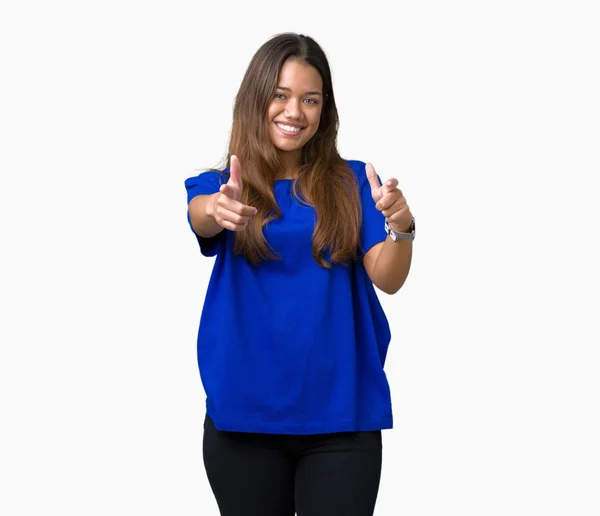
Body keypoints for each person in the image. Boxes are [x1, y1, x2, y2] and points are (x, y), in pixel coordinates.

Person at [184, 31, 415, 516]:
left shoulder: (351, 182)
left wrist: (401, 227)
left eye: (310, 99)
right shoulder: (222, 185)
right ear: (256, 99)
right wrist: (217, 206)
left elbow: (388, 278)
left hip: (340, 416)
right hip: (244, 416)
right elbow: (201, 214)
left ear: (324, 110)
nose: (295, 112)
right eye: (280, 95)